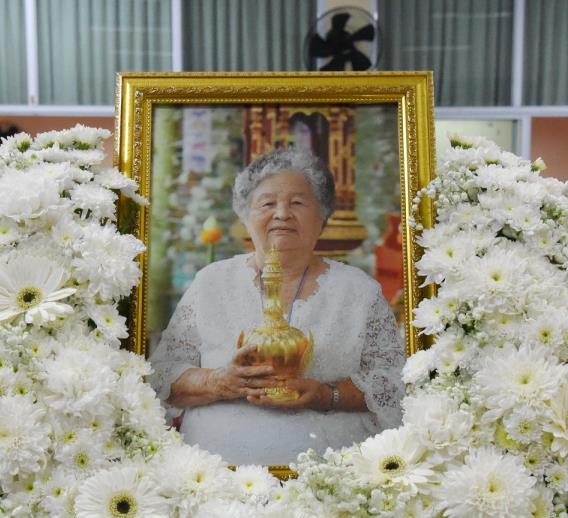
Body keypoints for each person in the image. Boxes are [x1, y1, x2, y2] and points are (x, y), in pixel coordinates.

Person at [149, 147, 405, 465]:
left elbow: (395, 382)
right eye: (268, 203)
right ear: (246, 217)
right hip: (215, 475)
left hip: (332, 476)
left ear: (322, 217)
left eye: (297, 203)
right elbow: (162, 377)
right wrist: (221, 381)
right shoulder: (211, 282)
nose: (282, 214)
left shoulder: (358, 291)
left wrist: (325, 395)